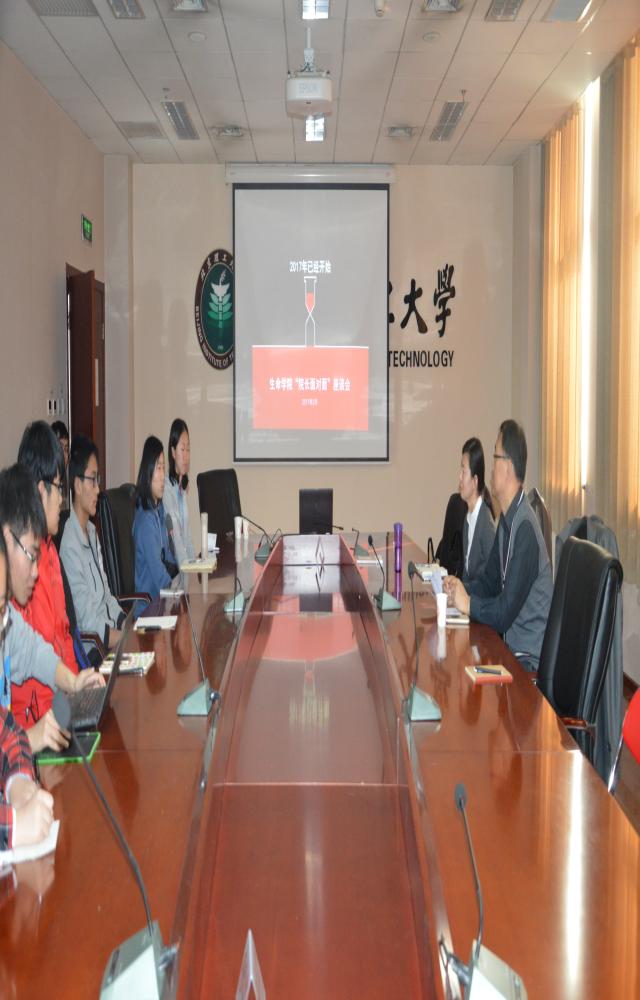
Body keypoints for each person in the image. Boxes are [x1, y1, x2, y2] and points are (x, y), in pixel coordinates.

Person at [0, 469, 104, 754]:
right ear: (8, 538)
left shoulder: (6, 615)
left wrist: (74, 681)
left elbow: (32, 651)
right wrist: (29, 738)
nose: (36, 572)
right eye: (32, 555)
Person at [444, 420, 552, 670]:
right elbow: (489, 583)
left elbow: (504, 613)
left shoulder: (525, 530)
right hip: (508, 649)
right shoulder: (506, 520)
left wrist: (467, 603)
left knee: (464, 669)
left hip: (526, 662)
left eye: (495, 457)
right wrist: (459, 588)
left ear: (508, 467)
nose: (491, 468)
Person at [11, 423, 81, 728]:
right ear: (41, 491)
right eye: (59, 487)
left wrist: (77, 687)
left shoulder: (49, 551)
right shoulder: (22, 566)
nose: (63, 499)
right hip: (37, 722)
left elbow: (57, 640)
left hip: (59, 709)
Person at [60, 435, 126, 653]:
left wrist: (126, 622)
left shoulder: (91, 531)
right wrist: (122, 637)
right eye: (93, 480)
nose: (98, 489)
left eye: (99, 480)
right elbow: (86, 620)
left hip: (111, 638)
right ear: (78, 485)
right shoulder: (69, 546)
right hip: (96, 650)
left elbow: (106, 594)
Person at [133, 436, 177, 598]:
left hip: (162, 600)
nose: (163, 476)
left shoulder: (159, 510)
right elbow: (160, 578)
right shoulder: (146, 520)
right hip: (150, 605)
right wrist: (180, 595)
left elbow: (170, 558)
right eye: (158, 468)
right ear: (148, 471)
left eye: (164, 468)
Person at [459, 437, 495, 587]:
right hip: (470, 598)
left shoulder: (486, 525)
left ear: (475, 480)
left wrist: (462, 589)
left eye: (463, 471)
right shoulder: (468, 518)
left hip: (481, 601)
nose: (459, 477)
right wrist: (456, 586)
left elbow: (493, 583)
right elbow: (467, 575)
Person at [163, 418, 195, 566]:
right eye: (182, 449)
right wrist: (189, 570)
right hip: (173, 571)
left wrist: (195, 567)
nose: (186, 455)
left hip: (184, 569)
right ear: (173, 452)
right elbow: (176, 541)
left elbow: (187, 539)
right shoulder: (166, 489)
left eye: (188, 449)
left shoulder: (181, 488)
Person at [51, 421, 69, 508]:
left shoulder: (64, 480)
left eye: (66, 449)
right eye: (60, 449)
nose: (64, 455)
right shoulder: (46, 485)